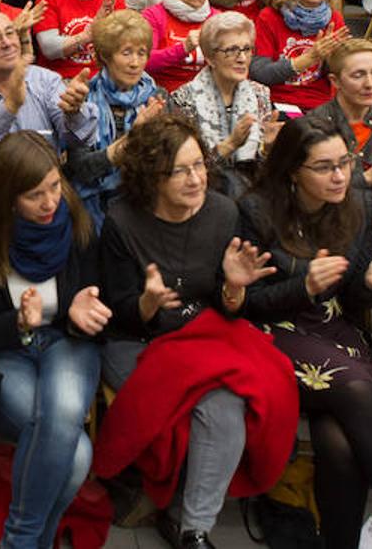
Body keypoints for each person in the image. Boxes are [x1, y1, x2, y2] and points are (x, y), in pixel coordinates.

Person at [93, 115, 297, 549]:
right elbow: (117, 311)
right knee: (196, 404)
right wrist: (147, 304)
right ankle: (173, 508)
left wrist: (234, 287)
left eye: (199, 165)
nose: (195, 178)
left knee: (226, 406)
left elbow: (233, 309)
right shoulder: (122, 221)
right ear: (151, 177)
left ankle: (194, 530)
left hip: (205, 336)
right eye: (179, 171)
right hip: (140, 341)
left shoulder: (224, 212)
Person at [239, 117, 372, 549]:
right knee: (357, 392)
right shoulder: (256, 209)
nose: (339, 176)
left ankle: (341, 542)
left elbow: (350, 298)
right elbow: (245, 303)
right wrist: (304, 286)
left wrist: (369, 282)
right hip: (273, 330)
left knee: (340, 440)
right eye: (323, 167)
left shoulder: (360, 206)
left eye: (345, 163)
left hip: (333, 327)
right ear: (293, 170)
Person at [0, 131, 109, 548]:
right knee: (74, 455)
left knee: (66, 411)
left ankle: (18, 539)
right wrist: (17, 324)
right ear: (6, 197)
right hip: (7, 351)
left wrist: (78, 313)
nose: (50, 202)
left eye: (55, 186)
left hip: (65, 342)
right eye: (34, 195)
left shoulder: (77, 223)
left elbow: (98, 308)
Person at [0, 7, 97, 204]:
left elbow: (80, 139)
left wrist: (74, 112)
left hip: (43, 200)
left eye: (10, 32)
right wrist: (9, 107)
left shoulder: (44, 80)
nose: (7, 43)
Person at [65, 9, 163, 222]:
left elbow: (165, 164)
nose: (135, 63)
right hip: (92, 207)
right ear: (105, 56)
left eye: (142, 53)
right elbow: (82, 168)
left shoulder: (157, 98)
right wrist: (132, 139)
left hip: (143, 202)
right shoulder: (84, 99)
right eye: (126, 52)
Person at [168, 12, 278, 198]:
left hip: (252, 192)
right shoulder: (183, 99)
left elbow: (263, 171)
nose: (242, 58)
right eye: (231, 51)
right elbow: (184, 170)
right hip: (203, 193)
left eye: (247, 49)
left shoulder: (260, 94)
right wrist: (230, 145)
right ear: (210, 58)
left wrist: (267, 149)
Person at [307, 39, 372, 231]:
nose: (370, 84)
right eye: (358, 75)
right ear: (335, 81)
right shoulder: (315, 124)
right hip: (337, 226)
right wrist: (371, 176)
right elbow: (312, 195)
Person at [251, 0, 350, 113]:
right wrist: (308, 58)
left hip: (321, 105)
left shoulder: (334, 19)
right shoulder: (269, 17)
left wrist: (331, 59)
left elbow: (342, 76)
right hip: (280, 103)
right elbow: (260, 73)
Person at [142, 0, 218, 92]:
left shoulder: (217, 19)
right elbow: (143, 61)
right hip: (162, 94)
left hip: (207, 96)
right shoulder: (154, 16)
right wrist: (183, 49)